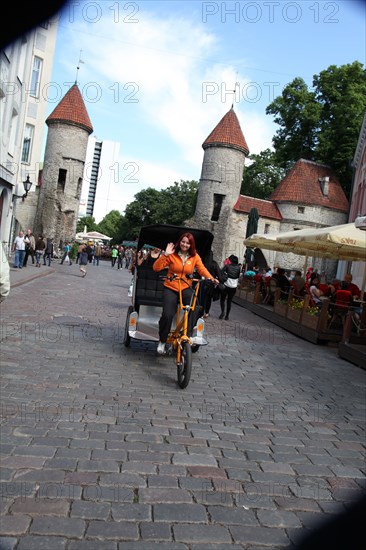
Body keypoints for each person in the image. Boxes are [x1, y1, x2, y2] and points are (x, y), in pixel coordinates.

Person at [152, 232, 218, 354]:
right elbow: (156, 268)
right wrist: (165, 254)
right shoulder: (172, 255)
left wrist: (212, 279)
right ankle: (162, 340)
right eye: (183, 241)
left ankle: (187, 336)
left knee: (195, 308)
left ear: (191, 245)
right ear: (179, 242)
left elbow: (202, 269)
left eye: (188, 243)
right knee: (167, 314)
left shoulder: (194, 256)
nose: (185, 244)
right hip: (171, 287)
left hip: (186, 287)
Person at [219, 254, 241, 320]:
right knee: (229, 301)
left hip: (226, 285)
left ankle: (223, 312)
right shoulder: (238, 268)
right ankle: (227, 316)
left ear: (231, 260)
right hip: (233, 286)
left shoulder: (227, 266)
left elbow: (221, 272)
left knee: (222, 299)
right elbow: (237, 276)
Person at [202, 251, 223, 318]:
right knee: (208, 299)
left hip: (202, 282)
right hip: (211, 284)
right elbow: (219, 275)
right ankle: (207, 312)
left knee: (202, 298)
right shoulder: (214, 264)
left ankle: (201, 312)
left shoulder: (203, 263)